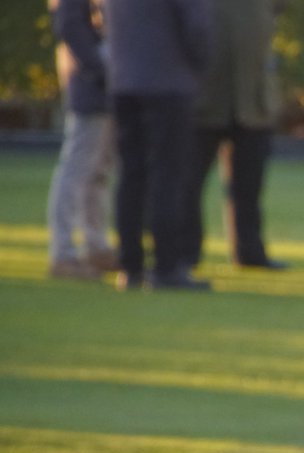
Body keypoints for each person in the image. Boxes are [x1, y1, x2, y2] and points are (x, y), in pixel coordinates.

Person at [105, 0, 212, 290]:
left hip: (124, 81)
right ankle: (166, 266)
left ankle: (130, 266)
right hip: (169, 83)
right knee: (168, 175)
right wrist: (200, 67)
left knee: (131, 175)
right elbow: (197, 27)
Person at [181, 0, 288, 273]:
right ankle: (186, 252)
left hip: (253, 100)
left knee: (249, 187)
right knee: (188, 184)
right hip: (205, 100)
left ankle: (249, 251)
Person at [46, 0, 117, 281]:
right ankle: (63, 252)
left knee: (98, 171)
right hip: (90, 88)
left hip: (106, 88)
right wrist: (100, 68)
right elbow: (70, 26)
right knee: (76, 171)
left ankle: (96, 245)